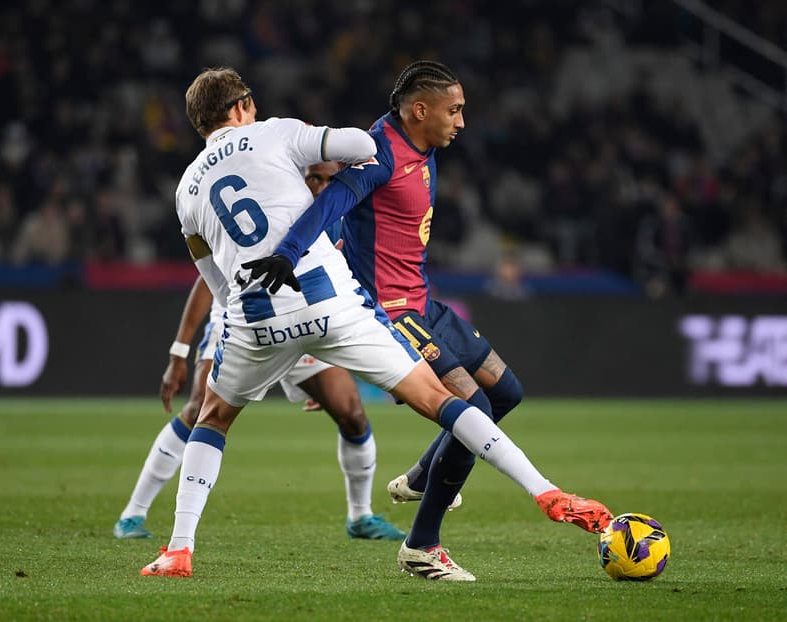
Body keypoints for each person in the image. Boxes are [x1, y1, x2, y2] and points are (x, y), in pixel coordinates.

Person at [141, 66, 611, 581]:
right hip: (337, 303)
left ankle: (178, 551)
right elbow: (355, 148)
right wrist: (346, 157)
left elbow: (216, 282)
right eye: (452, 111)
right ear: (243, 106)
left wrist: (259, 344)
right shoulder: (277, 132)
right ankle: (543, 493)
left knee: (211, 419)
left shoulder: (187, 188)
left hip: (257, 314)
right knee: (445, 402)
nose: (460, 121)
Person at [114, 161, 404, 542]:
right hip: (242, 313)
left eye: (330, 180)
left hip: (302, 315)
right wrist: (178, 351)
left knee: (351, 412)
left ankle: (360, 515)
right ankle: (133, 514)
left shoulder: (335, 215)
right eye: (315, 178)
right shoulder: (269, 205)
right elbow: (207, 281)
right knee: (201, 405)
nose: (323, 187)